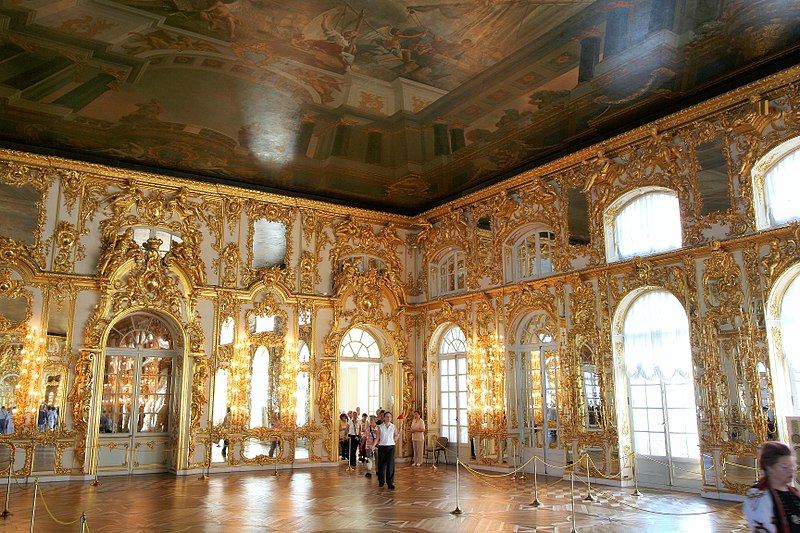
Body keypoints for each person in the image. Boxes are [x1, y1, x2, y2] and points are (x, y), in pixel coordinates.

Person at [744, 441, 800, 532]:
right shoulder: (759, 496)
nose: (791, 470)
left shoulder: (794, 492)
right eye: (784, 467)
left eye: (792, 466)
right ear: (769, 468)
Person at [375, 411, 399, 489]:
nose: (388, 418)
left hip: (391, 447)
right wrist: (373, 445)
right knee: (381, 465)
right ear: (384, 418)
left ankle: (390, 482)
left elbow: (395, 436)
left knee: (390, 465)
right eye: (387, 417)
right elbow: (377, 437)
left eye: (390, 417)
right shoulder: (380, 427)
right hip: (382, 447)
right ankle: (381, 481)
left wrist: (396, 437)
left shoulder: (393, 426)